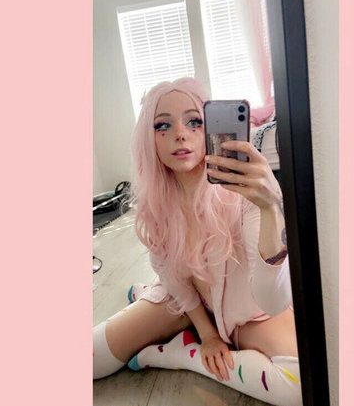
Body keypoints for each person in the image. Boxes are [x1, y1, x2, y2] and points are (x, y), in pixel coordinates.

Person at [93, 77, 302, 406]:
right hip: (187, 302)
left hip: (248, 315)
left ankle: (176, 353)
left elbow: (273, 302)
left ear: (211, 130)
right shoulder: (156, 203)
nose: (180, 133)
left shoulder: (247, 196)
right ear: (149, 139)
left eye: (194, 121)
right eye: (163, 125)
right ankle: (150, 297)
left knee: (298, 386)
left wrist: (269, 209)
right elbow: (171, 273)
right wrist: (206, 333)